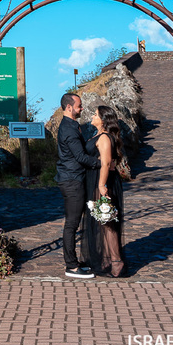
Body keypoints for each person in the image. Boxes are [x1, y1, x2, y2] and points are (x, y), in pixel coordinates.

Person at [56, 92, 101, 279]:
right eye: (79, 106)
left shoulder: (72, 126)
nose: (81, 108)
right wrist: (104, 164)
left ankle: (74, 262)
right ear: (69, 107)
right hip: (72, 180)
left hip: (72, 178)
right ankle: (71, 266)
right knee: (72, 224)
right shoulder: (68, 129)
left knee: (73, 223)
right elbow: (81, 157)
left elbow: (81, 151)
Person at [83, 105, 126, 277]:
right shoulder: (98, 136)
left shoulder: (105, 138)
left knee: (108, 222)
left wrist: (101, 185)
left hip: (103, 181)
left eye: (95, 114)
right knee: (102, 221)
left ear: (103, 119)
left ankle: (116, 261)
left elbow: (106, 163)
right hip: (95, 180)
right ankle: (108, 258)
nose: (92, 116)